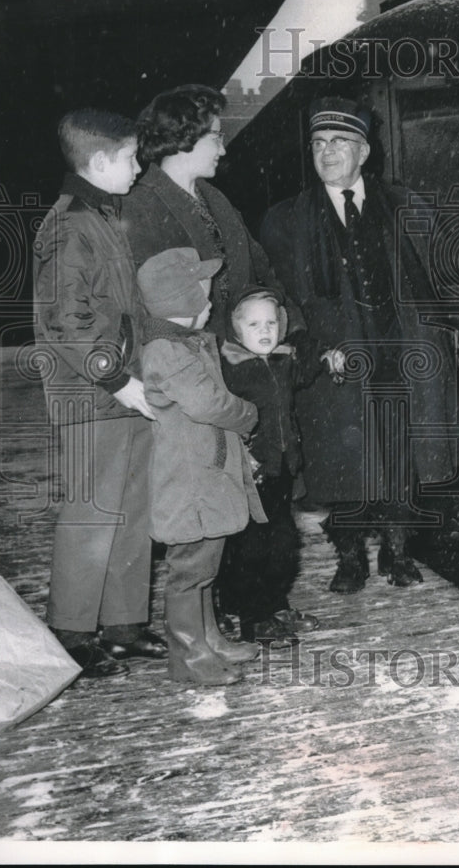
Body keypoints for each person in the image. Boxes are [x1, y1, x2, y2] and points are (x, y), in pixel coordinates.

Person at [260, 97, 459, 593]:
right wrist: (309, 347)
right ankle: (350, 558)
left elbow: (440, 279)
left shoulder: (404, 205)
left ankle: (398, 552)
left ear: (364, 151)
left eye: (340, 142)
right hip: (334, 361)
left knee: (399, 459)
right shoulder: (286, 220)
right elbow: (279, 295)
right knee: (342, 465)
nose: (328, 153)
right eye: (319, 144)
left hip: (400, 354)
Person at [33, 108, 167, 679]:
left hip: (126, 392)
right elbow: (67, 321)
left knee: (133, 508)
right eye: (132, 158)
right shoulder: (69, 226)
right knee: (91, 514)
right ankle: (71, 632)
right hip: (93, 396)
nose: (139, 168)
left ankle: (123, 626)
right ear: (101, 161)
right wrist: (117, 378)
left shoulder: (106, 216)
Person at [136, 248, 266, 686]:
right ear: (181, 303)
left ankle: (210, 640)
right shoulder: (166, 352)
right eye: (203, 298)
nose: (211, 306)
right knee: (189, 570)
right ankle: (188, 658)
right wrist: (248, 413)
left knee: (205, 565)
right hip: (189, 481)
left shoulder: (183, 343)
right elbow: (208, 402)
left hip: (205, 475)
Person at [121, 83, 303, 343]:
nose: (223, 149)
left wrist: (293, 329)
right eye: (217, 137)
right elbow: (133, 309)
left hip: (239, 356)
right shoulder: (138, 208)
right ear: (185, 137)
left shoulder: (216, 199)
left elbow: (262, 271)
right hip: (186, 365)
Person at [217, 285, 338, 645]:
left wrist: (326, 358)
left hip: (281, 469)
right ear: (236, 331)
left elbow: (302, 374)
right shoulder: (231, 369)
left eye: (271, 322)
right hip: (250, 471)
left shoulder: (283, 359)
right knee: (252, 546)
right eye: (254, 324)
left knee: (282, 544)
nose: (265, 330)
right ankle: (255, 618)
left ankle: (275, 603)